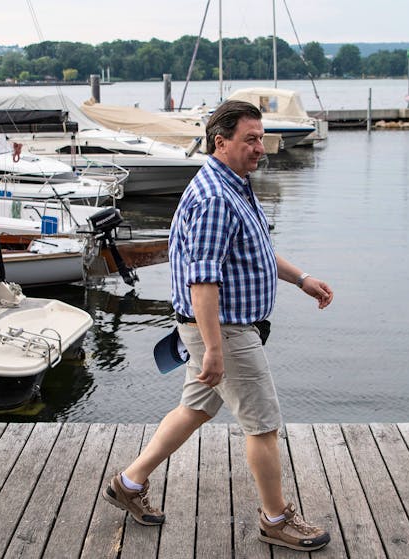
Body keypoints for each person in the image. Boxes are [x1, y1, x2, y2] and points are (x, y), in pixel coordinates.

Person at [101, 100, 334, 552]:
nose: (259, 148)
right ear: (220, 142)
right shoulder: (213, 198)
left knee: (196, 409)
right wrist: (213, 348)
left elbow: (258, 250)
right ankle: (275, 519)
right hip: (225, 330)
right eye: (250, 139)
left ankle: (129, 484)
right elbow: (202, 280)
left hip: (218, 330)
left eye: (260, 138)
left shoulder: (235, 185)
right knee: (262, 426)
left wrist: (301, 279)